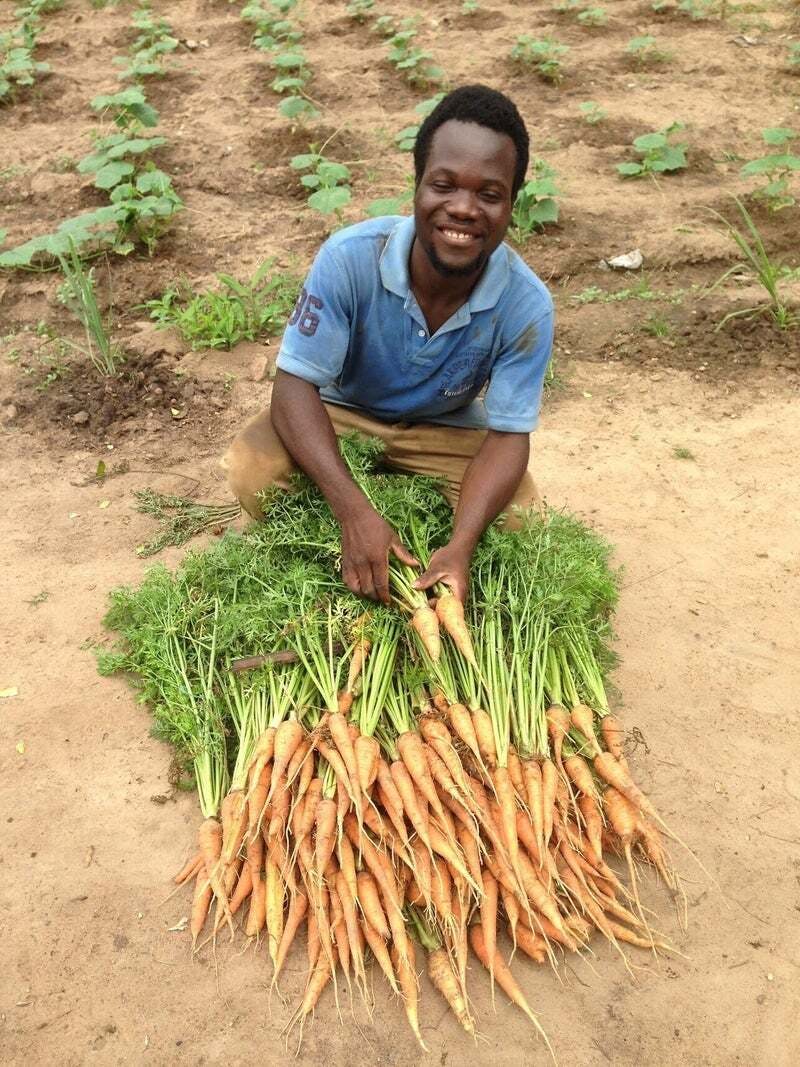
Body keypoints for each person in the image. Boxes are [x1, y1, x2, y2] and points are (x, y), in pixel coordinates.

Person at [222, 84, 554, 604]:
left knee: (522, 519)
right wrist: (354, 512)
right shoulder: (350, 258)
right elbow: (292, 387)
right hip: (339, 413)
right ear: (418, 186)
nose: (463, 209)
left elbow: (509, 437)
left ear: (513, 202)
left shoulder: (526, 304)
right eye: (444, 185)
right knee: (252, 471)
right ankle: (353, 525)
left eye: (488, 194)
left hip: (441, 431)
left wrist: (463, 543)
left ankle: (429, 548)